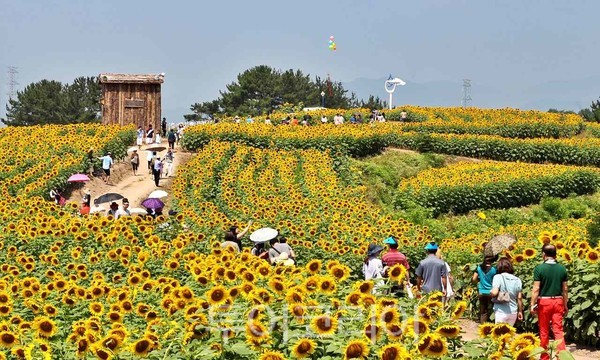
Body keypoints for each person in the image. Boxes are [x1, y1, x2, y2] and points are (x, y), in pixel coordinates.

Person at [530, 244, 568, 360]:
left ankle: (545, 357)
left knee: (544, 330)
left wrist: (532, 304)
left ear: (543, 254)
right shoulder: (562, 268)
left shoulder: (539, 268)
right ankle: (561, 356)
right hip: (558, 301)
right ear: (555, 255)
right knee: (558, 330)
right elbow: (565, 289)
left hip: (544, 302)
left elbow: (536, 288)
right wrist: (565, 305)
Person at [490, 258, 523, 326]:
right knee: (508, 334)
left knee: (499, 334)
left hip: (501, 311)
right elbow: (519, 298)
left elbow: (494, 292)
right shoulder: (517, 280)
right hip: (513, 312)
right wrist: (520, 311)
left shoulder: (498, 277)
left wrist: (491, 292)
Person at [472, 254, 498, 323]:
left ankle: (483, 326)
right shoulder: (494, 269)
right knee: (494, 309)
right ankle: (493, 324)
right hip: (491, 292)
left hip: (481, 291)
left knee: (483, 311)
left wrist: (479, 281)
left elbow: (474, 279)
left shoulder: (479, 268)